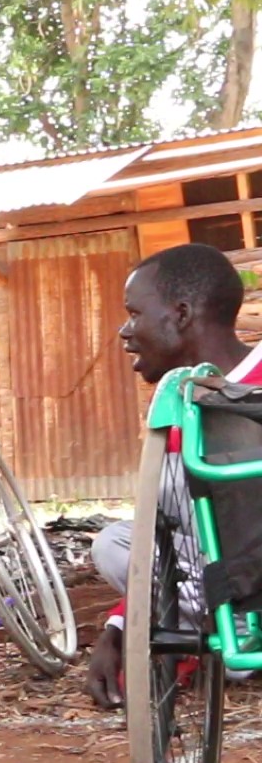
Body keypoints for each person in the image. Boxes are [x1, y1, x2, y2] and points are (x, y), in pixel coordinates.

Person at [85, 243, 260, 708]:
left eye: (135, 313)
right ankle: (213, 626)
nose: (125, 332)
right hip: (218, 563)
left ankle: (232, 620)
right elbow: (162, 534)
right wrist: (121, 625)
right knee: (116, 542)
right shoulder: (177, 403)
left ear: (180, 314)